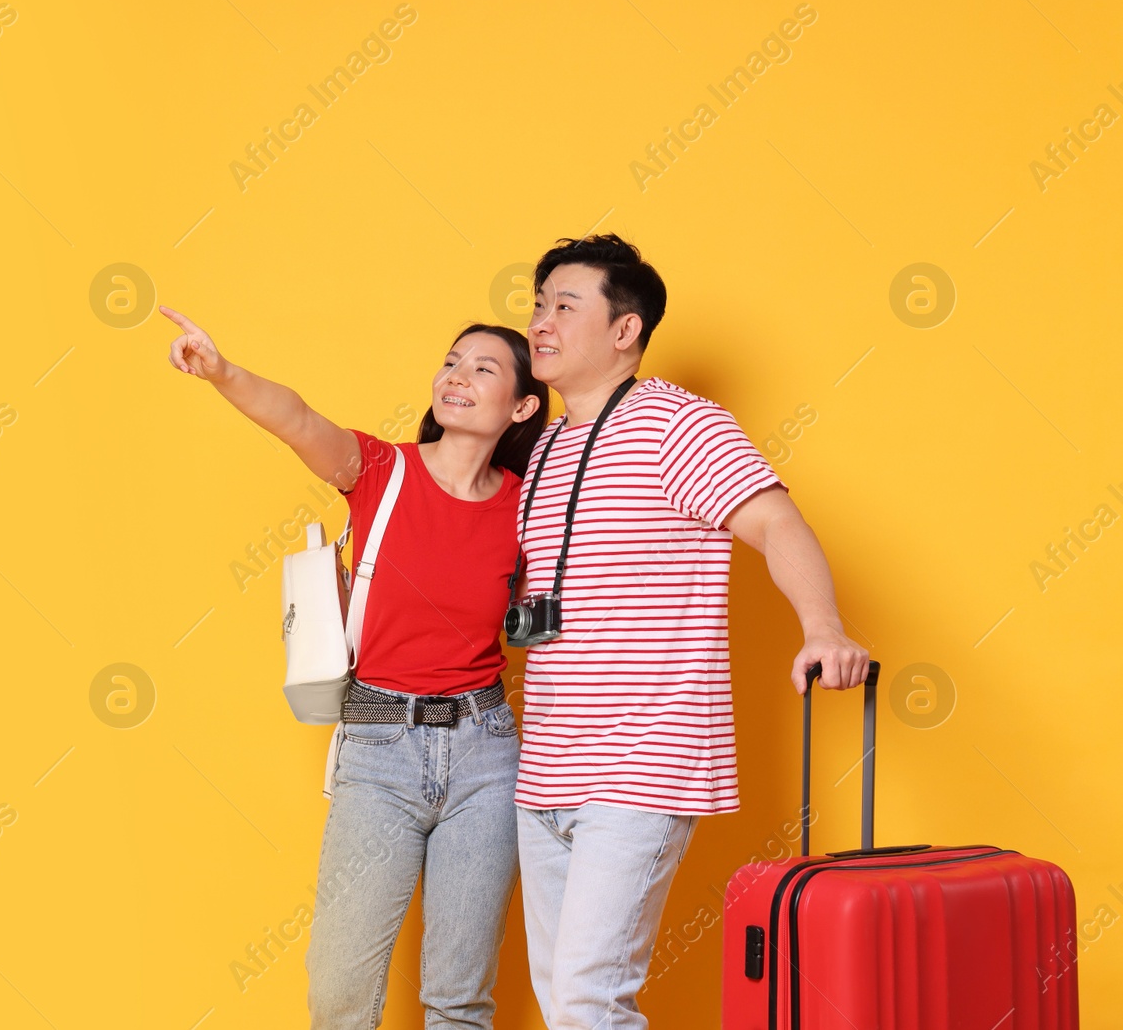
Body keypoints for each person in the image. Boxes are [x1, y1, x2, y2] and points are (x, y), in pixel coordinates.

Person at [511, 235, 871, 1029]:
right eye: (537, 304)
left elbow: (776, 523)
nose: (540, 321)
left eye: (564, 306)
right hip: (544, 769)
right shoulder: (541, 449)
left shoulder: (680, 423)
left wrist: (824, 628)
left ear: (624, 330)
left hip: (644, 757)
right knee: (562, 1000)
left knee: (586, 997)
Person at [161, 303, 546, 1029]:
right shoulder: (382, 469)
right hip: (379, 743)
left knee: (460, 998)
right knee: (339, 992)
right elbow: (298, 418)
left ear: (522, 405)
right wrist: (222, 371)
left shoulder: (528, 507)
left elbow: (547, 613)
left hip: (488, 752)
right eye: (452, 361)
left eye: (483, 368)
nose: (457, 377)